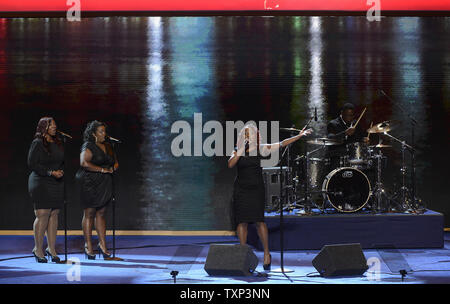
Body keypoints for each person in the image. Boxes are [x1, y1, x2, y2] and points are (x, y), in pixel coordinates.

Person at [228, 123, 312, 271]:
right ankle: (243, 254)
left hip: (256, 189)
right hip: (241, 189)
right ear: (243, 136)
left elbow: (280, 144)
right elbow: (230, 164)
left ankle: (267, 254)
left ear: (256, 135)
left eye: (252, 133)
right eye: (247, 134)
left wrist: (299, 136)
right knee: (242, 222)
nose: (250, 136)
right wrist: (241, 149)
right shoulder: (237, 150)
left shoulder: (260, 148)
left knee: (259, 221)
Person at [77, 121, 118, 260]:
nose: (104, 134)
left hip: (104, 183)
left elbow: (115, 162)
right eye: (101, 131)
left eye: (104, 131)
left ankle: (103, 245)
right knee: (89, 213)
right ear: (93, 133)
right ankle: (88, 245)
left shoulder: (108, 145)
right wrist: (102, 170)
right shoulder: (88, 145)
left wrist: (113, 167)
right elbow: (84, 163)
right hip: (90, 182)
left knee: (101, 212)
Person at [27, 117, 64, 263]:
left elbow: (59, 161)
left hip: (55, 182)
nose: (55, 126)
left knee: (54, 213)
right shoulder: (37, 143)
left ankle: (51, 248)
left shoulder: (57, 143)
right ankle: (38, 249)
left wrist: (59, 171)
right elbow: (32, 164)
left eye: (55, 124)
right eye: (52, 124)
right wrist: (50, 172)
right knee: (43, 214)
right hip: (40, 181)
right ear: (44, 127)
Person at [327, 103, 369, 170]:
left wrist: (364, 140)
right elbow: (330, 138)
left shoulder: (355, 123)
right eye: (347, 115)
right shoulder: (333, 124)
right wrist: (345, 133)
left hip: (353, 157)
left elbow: (360, 138)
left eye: (352, 115)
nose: (350, 118)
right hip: (338, 157)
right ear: (342, 113)